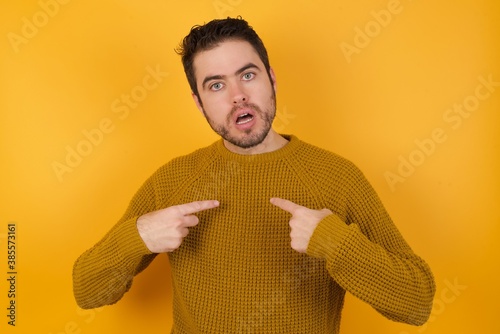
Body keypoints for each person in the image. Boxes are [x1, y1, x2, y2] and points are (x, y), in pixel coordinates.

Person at [73, 17, 436, 333]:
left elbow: (416, 304)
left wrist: (334, 242)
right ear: (199, 102)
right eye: (216, 85)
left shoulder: (338, 177)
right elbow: (87, 291)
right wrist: (138, 236)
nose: (238, 96)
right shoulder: (173, 180)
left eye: (247, 75)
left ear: (271, 79)